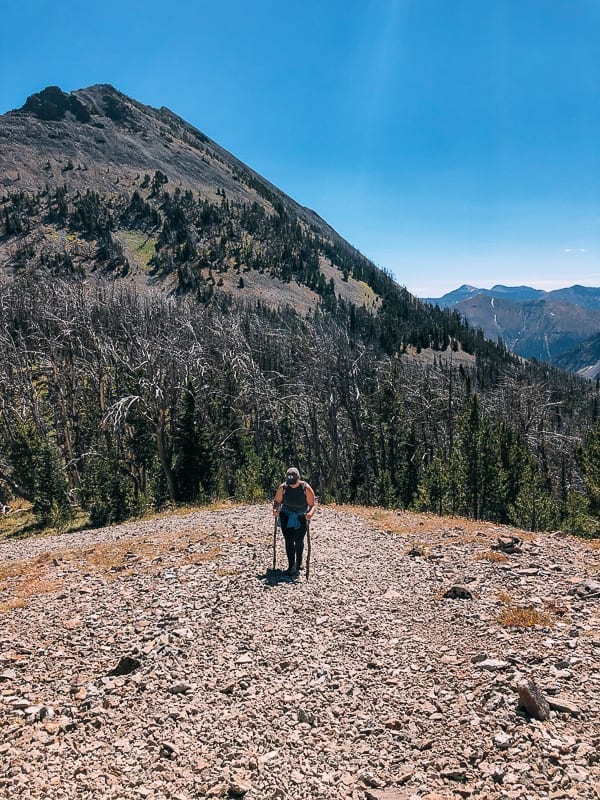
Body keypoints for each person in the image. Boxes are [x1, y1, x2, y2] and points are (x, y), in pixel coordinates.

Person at [272, 467, 316, 576]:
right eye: (290, 482)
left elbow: (312, 504)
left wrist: (310, 513)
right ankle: (291, 566)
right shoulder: (283, 488)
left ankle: (299, 562)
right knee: (289, 540)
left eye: (294, 482)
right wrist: (275, 509)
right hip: (286, 515)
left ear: (299, 478)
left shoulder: (305, 488)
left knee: (299, 540)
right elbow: (277, 501)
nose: (292, 484)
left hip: (302, 516)